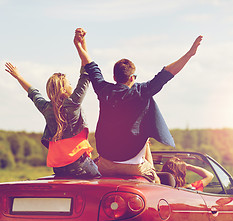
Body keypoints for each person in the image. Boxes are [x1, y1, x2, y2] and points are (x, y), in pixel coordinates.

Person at [74, 28, 202, 183]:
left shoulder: (103, 90)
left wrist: (80, 45)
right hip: (133, 167)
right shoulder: (141, 92)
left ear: (114, 77)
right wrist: (189, 54)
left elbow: (90, 66)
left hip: (105, 165)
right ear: (132, 77)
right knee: (160, 180)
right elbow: (167, 73)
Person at [3, 30, 101, 179]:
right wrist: (81, 44)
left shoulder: (46, 108)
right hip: (78, 165)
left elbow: (33, 92)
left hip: (59, 169)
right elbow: (86, 72)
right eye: (69, 84)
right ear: (63, 88)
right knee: (100, 179)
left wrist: (18, 76)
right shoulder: (73, 103)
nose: (71, 85)